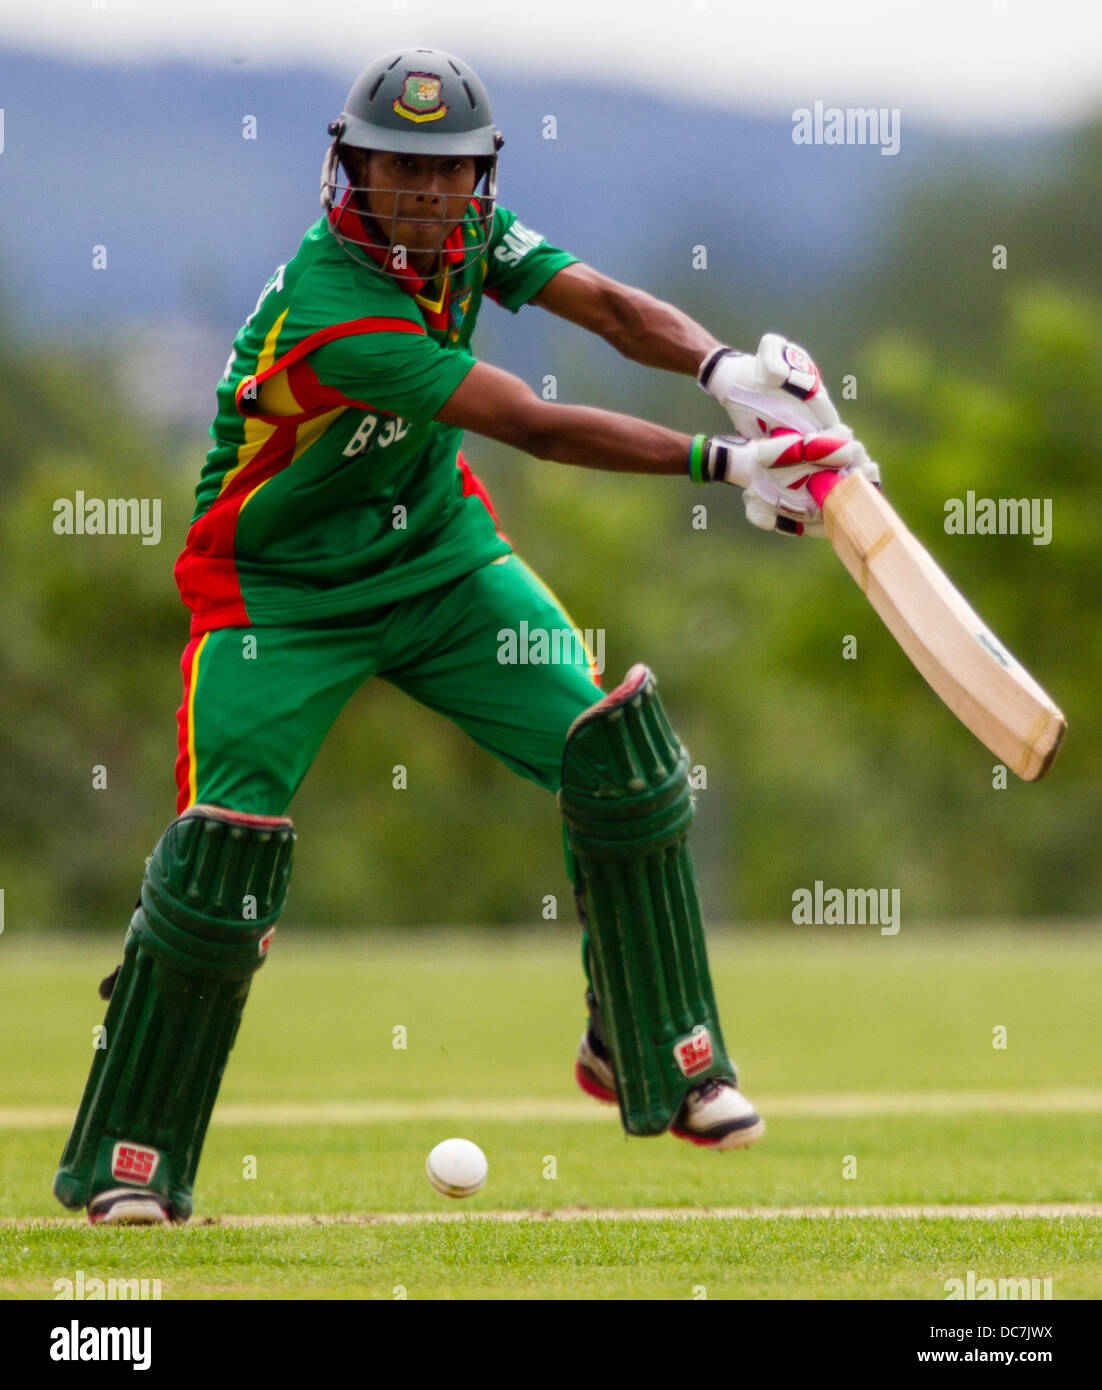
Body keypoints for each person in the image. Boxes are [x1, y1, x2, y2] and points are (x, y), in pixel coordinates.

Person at [54, 47, 876, 1224]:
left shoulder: (469, 238)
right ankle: (129, 1163)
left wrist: (723, 367)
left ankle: (659, 1052)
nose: (427, 195)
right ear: (353, 168)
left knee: (618, 758)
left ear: (476, 178)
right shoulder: (333, 308)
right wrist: (730, 460)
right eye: (401, 169)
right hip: (276, 595)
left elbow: (603, 305)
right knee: (221, 867)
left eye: (448, 175)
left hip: (439, 559)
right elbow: (532, 424)